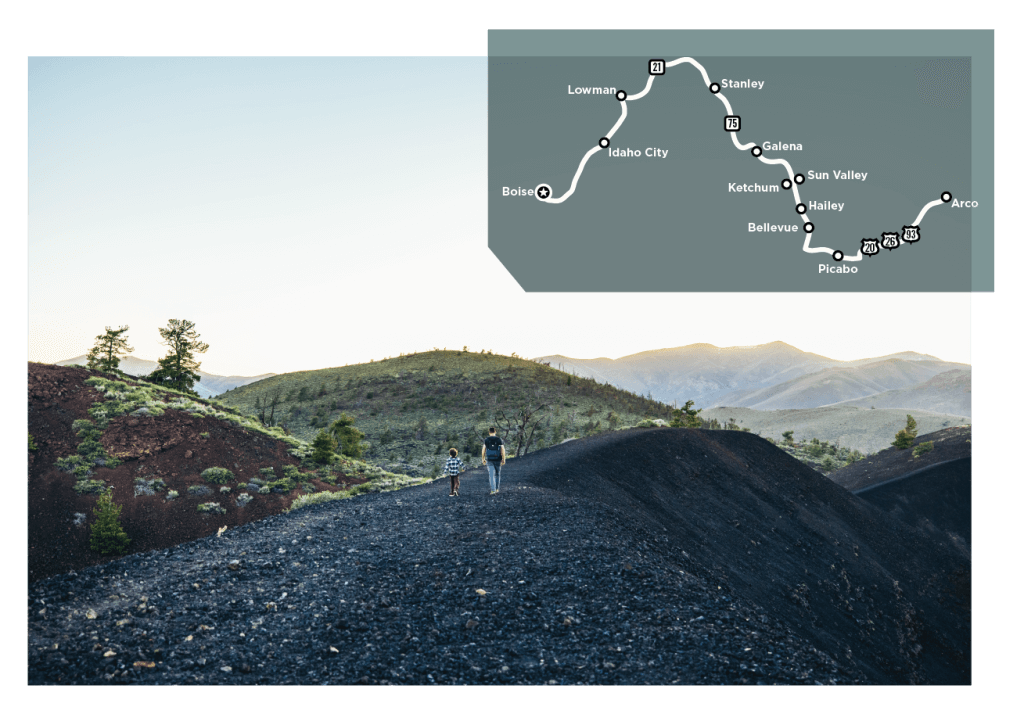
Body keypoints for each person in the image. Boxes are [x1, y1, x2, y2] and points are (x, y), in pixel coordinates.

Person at [481, 427, 505, 494]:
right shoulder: (499, 439)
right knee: (497, 474)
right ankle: (497, 489)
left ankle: (493, 490)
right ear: (495, 432)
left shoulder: (486, 440)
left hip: (489, 459)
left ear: (489, 432)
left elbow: (483, 450)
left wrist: (483, 459)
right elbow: (502, 450)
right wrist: (503, 458)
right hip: (498, 459)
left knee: (491, 475)